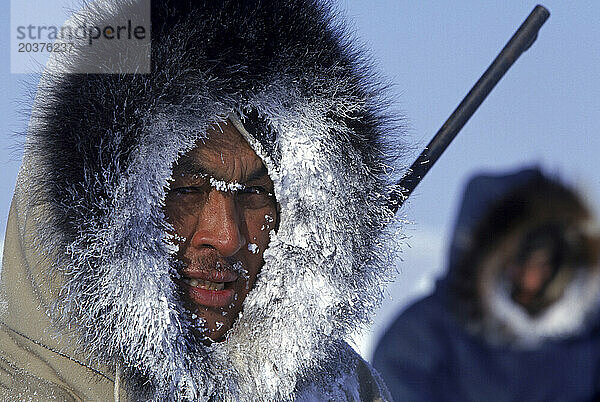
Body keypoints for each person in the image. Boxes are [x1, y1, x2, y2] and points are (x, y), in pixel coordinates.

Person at [0, 0, 402, 400]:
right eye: (186, 190)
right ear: (94, 214)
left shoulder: (349, 392)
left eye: (255, 193)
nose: (227, 237)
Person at [373, 167, 600, 401]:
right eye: (523, 260)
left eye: (547, 262)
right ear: (491, 256)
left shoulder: (590, 339)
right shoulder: (420, 337)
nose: (534, 276)